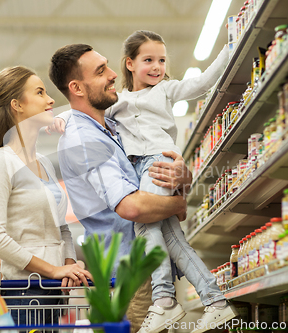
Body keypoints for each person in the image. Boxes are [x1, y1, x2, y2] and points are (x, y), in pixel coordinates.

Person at [49, 31, 238, 333]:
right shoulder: (86, 137)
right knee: (162, 234)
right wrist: (177, 202)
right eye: (101, 71)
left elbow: (200, 84)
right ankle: (184, 301)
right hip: (133, 270)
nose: (112, 75)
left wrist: (183, 180)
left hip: (140, 266)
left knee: (177, 242)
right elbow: (133, 208)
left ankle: (211, 302)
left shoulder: (112, 125)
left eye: (161, 60)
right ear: (77, 87)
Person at [0, 66, 92, 326]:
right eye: (40, 92)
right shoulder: (1, 162)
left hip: (55, 292)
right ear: (17, 105)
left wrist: (69, 267)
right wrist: (53, 270)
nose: (50, 100)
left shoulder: (44, 163)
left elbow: (62, 229)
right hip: (24, 293)